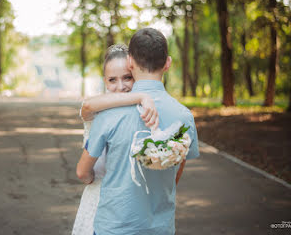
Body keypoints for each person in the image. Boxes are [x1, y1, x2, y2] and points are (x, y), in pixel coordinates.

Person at [76, 28, 200, 235]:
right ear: (168, 63)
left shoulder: (108, 114)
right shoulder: (184, 116)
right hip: (160, 227)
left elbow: (82, 172)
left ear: (130, 63)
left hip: (113, 227)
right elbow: (175, 172)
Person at [72, 44, 160, 235]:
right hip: (99, 198)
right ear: (104, 81)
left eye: (127, 78)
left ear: (136, 75)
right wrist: (141, 96)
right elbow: (87, 105)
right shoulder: (99, 109)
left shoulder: (146, 112)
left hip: (135, 202)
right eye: (112, 80)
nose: (120, 87)